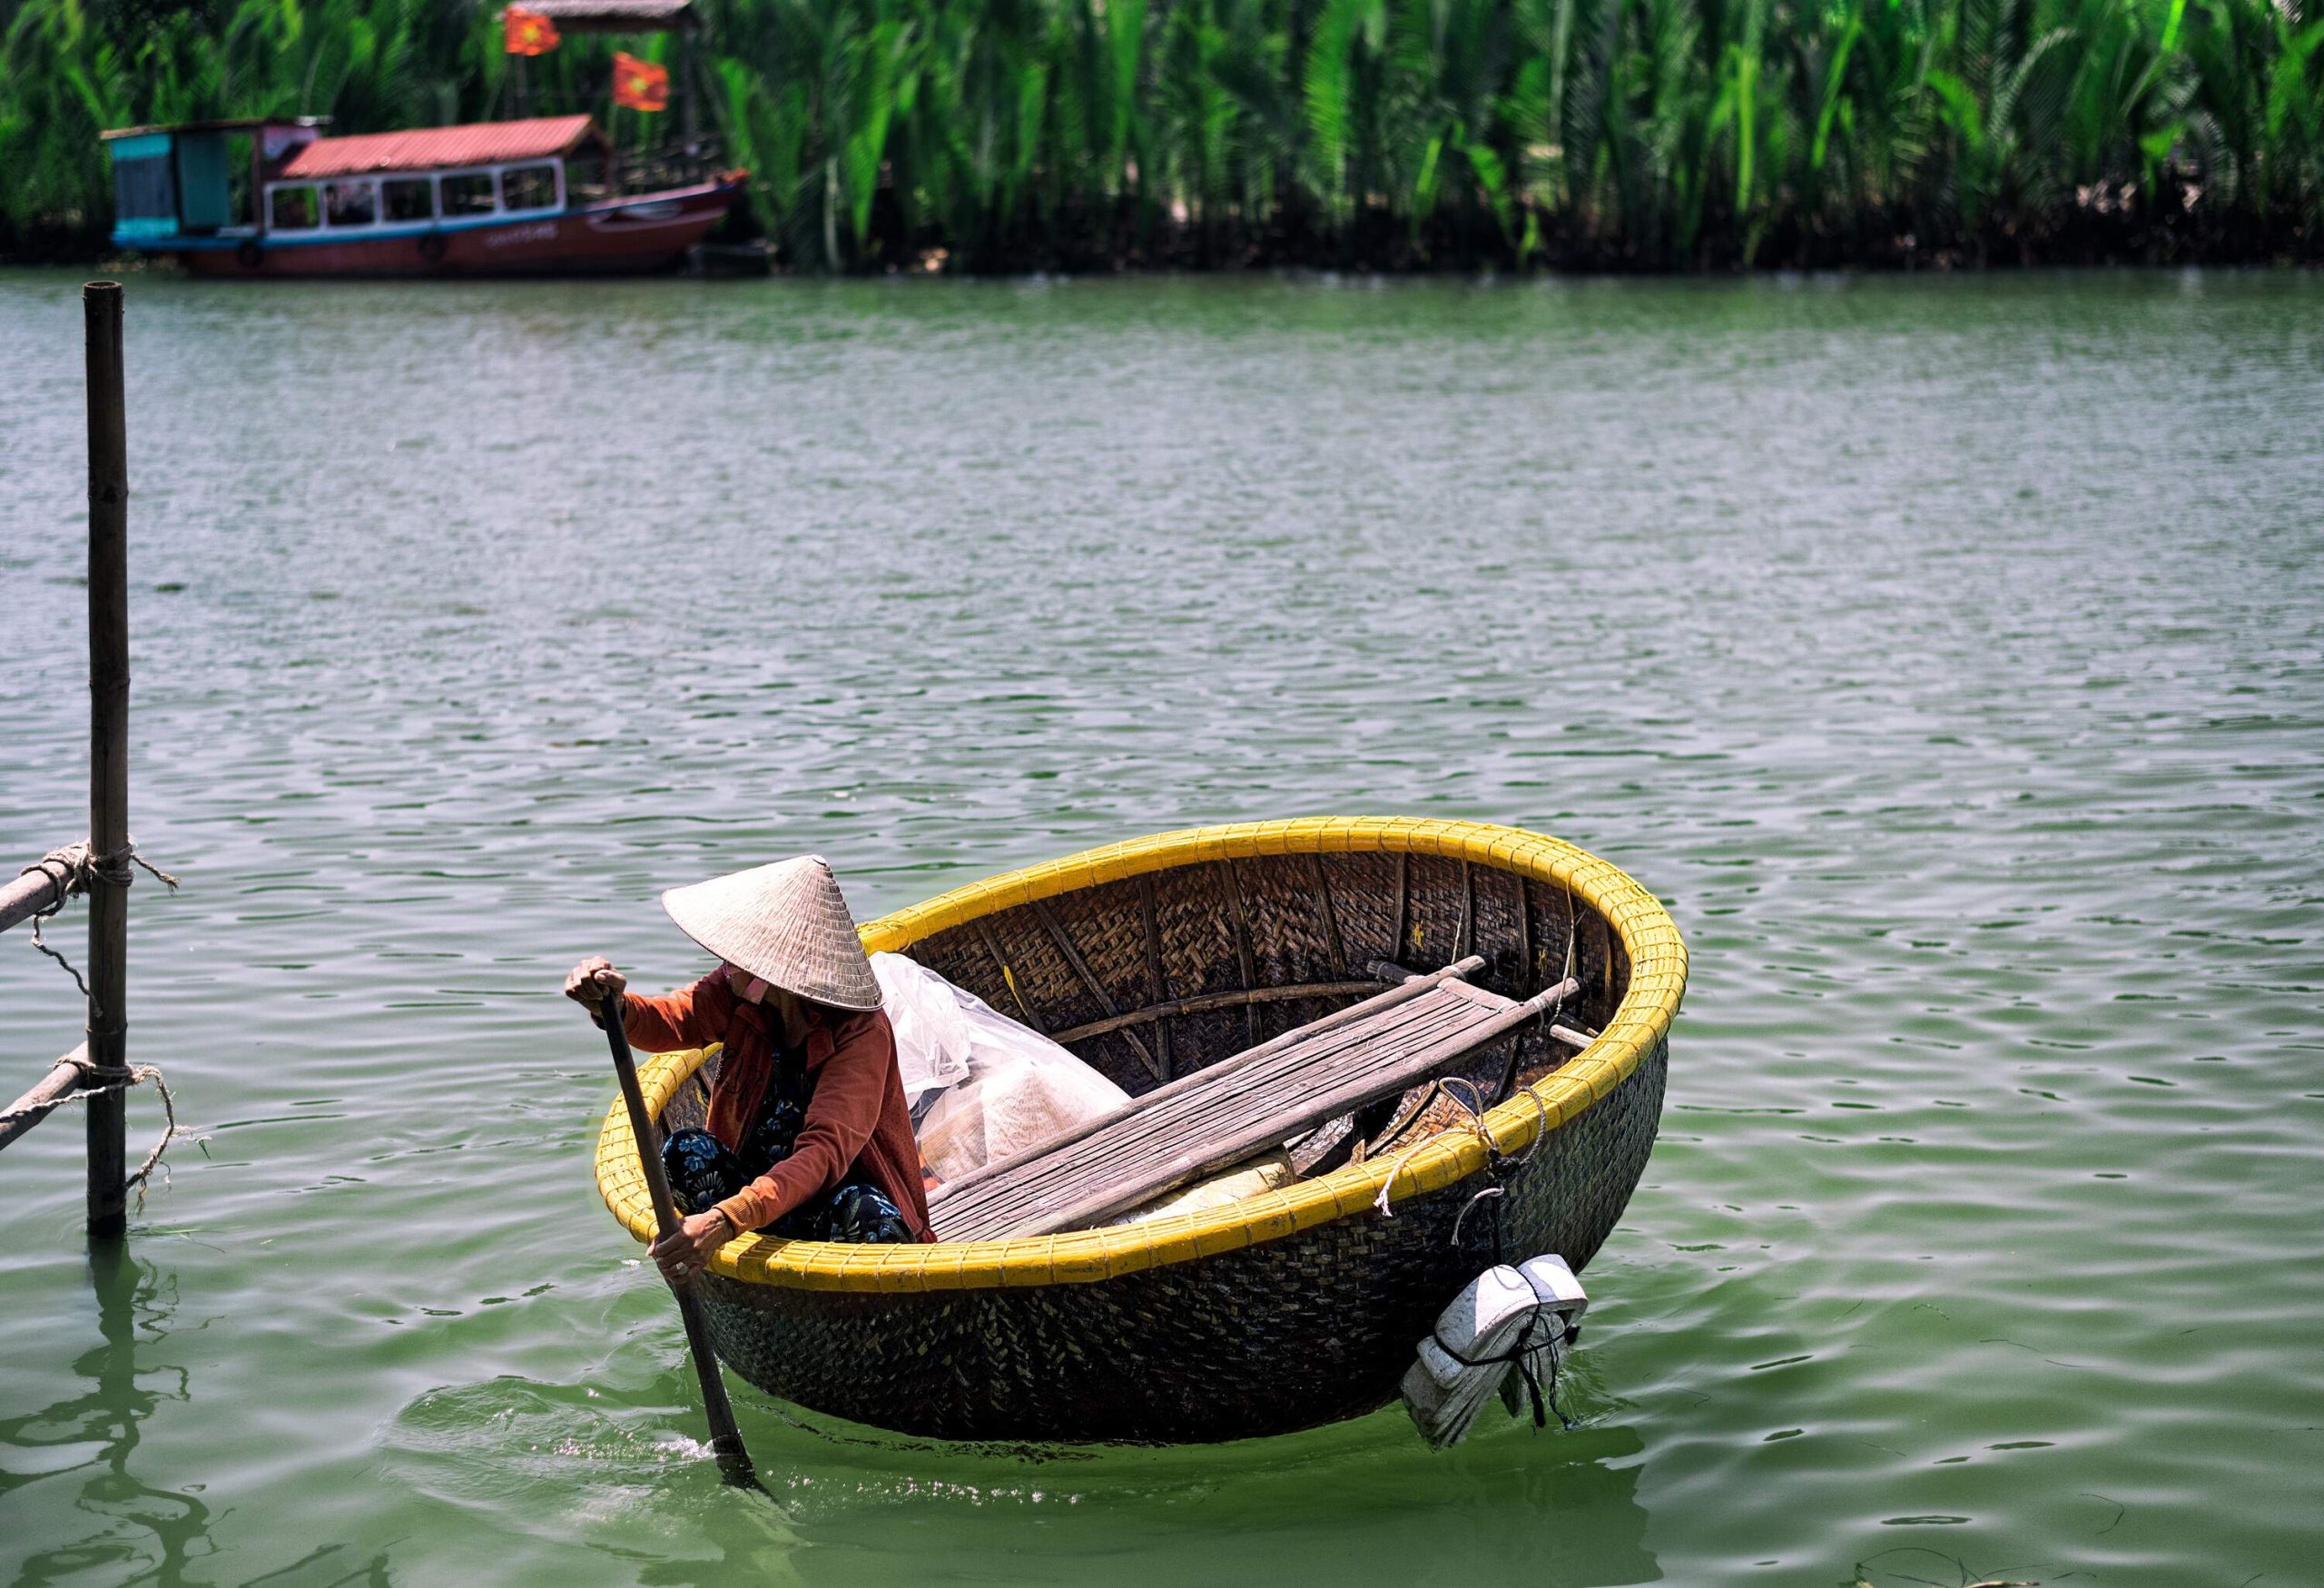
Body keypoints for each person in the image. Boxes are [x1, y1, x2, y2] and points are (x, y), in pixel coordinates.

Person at [565, 855, 934, 1285]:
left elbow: (822, 1154)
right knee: (684, 1151)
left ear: (773, 970)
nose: (724, 965)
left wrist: (725, 1219)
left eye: (736, 959)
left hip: (832, 1203)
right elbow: (673, 1019)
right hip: (759, 1198)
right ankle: (747, 1266)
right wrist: (614, 1006)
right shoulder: (739, 993)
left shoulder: (859, 1032)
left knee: (865, 1212)